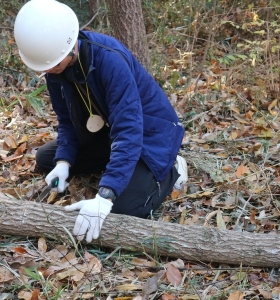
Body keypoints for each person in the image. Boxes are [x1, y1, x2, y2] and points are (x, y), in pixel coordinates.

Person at [14, 0, 188, 243]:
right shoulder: (55, 69)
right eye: (47, 66)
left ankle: (173, 168)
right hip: (108, 133)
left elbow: (129, 129)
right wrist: (64, 161)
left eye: (54, 64)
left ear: (70, 46)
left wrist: (106, 194)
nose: (50, 70)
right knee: (47, 159)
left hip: (150, 135)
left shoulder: (109, 60)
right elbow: (66, 121)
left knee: (124, 209)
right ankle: (116, 165)